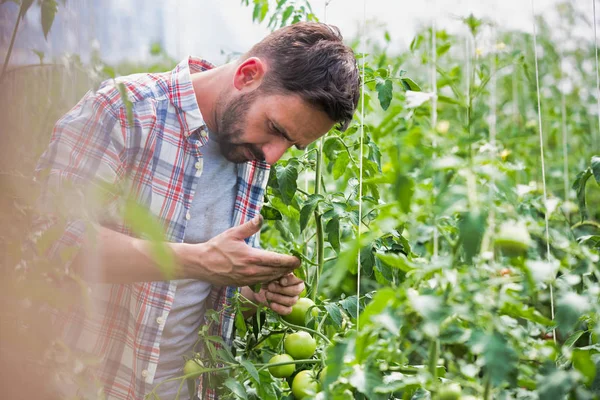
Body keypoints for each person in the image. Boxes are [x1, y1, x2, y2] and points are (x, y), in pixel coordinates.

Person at [35, 21, 360, 399]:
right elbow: (47, 240)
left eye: (292, 145)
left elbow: (198, 294)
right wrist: (195, 261)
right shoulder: (125, 112)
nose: (272, 156)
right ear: (248, 74)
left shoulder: (249, 151)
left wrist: (251, 291)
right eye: (274, 128)